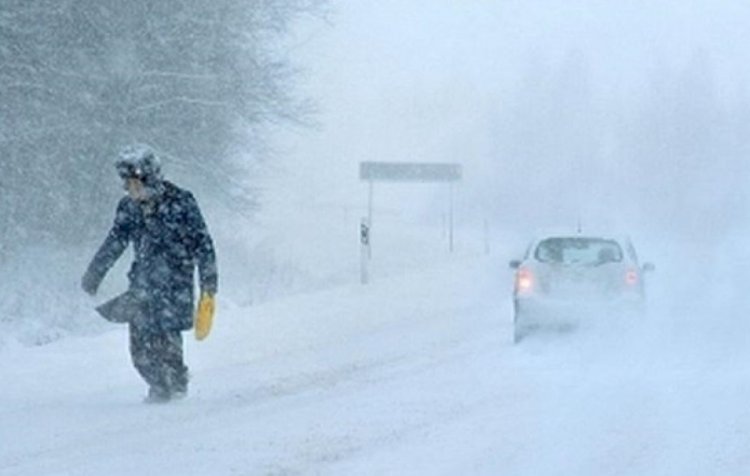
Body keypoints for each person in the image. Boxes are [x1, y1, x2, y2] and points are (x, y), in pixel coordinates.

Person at [82, 144, 217, 403]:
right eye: (127, 184)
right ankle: (159, 387)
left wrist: (209, 286)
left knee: (167, 344)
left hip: (175, 286)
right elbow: (115, 241)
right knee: (140, 350)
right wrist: (95, 273)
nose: (131, 190)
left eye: (136, 183)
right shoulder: (128, 208)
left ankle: (174, 390)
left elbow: (204, 245)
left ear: (151, 179)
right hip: (142, 286)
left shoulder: (182, 203)